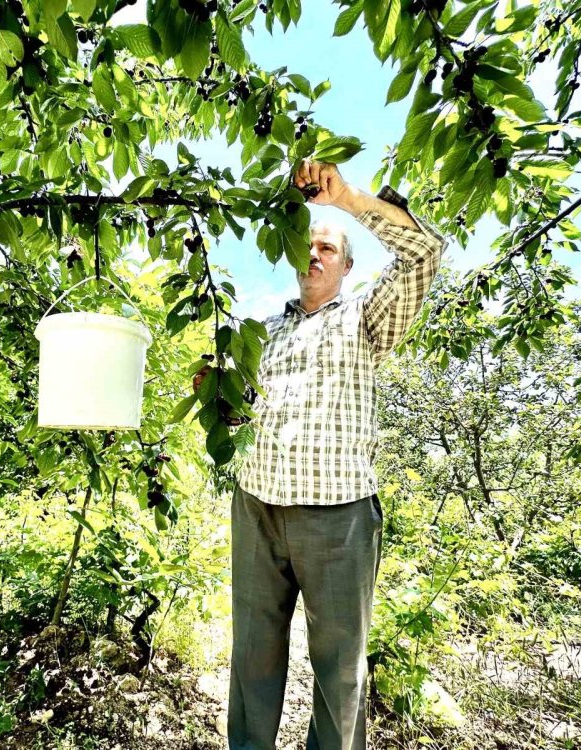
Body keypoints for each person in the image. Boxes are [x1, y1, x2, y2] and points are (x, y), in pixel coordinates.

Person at [224, 159, 447, 749]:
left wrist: (345, 200)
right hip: (257, 506)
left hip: (339, 515)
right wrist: (220, 394)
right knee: (251, 657)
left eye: (327, 247)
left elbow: (424, 255)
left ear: (347, 266)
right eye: (307, 244)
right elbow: (241, 412)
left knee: (339, 671)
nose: (314, 254)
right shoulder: (262, 330)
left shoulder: (366, 319)